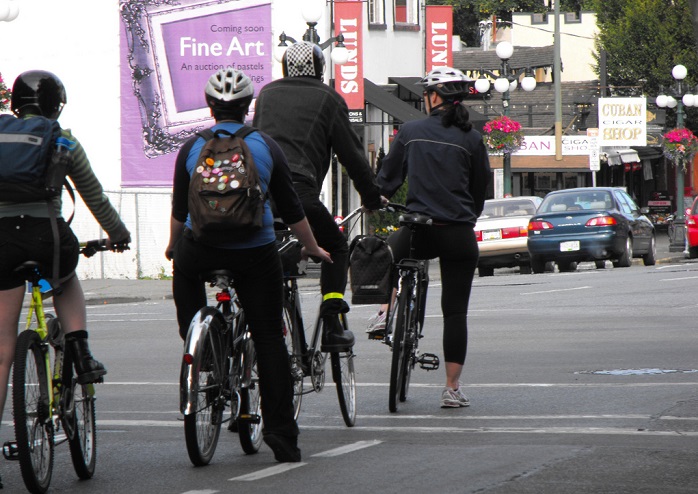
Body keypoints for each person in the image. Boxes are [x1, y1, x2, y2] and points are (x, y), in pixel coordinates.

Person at [165, 67, 331, 463]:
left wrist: (174, 248)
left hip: (200, 247)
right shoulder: (265, 145)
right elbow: (292, 210)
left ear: (210, 107)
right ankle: (281, 436)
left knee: (185, 278)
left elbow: (178, 209)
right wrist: (313, 248)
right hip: (254, 251)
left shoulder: (191, 148)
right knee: (269, 338)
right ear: (247, 107)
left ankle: (202, 349)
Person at [0, 70, 131, 485]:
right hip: (48, 238)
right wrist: (119, 235)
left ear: (14, 102)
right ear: (57, 104)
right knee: (67, 278)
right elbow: (94, 197)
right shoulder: (63, 139)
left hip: (2, 242)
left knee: (2, 348)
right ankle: (79, 347)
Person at [366, 67, 491, 408]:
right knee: (454, 313)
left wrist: (380, 197)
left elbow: (387, 179)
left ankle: (385, 310)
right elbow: (481, 189)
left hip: (418, 231)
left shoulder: (410, 131)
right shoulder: (473, 139)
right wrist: (467, 217)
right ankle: (451, 388)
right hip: (458, 234)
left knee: (387, 256)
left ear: (434, 98)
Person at [252, 41, 387, 352]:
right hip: (300, 193)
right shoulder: (329, 98)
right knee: (336, 245)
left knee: (264, 245)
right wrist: (370, 197)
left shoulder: (267, 94)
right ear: (320, 70)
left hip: (258, 194)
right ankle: (332, 322)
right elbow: (351, 156)